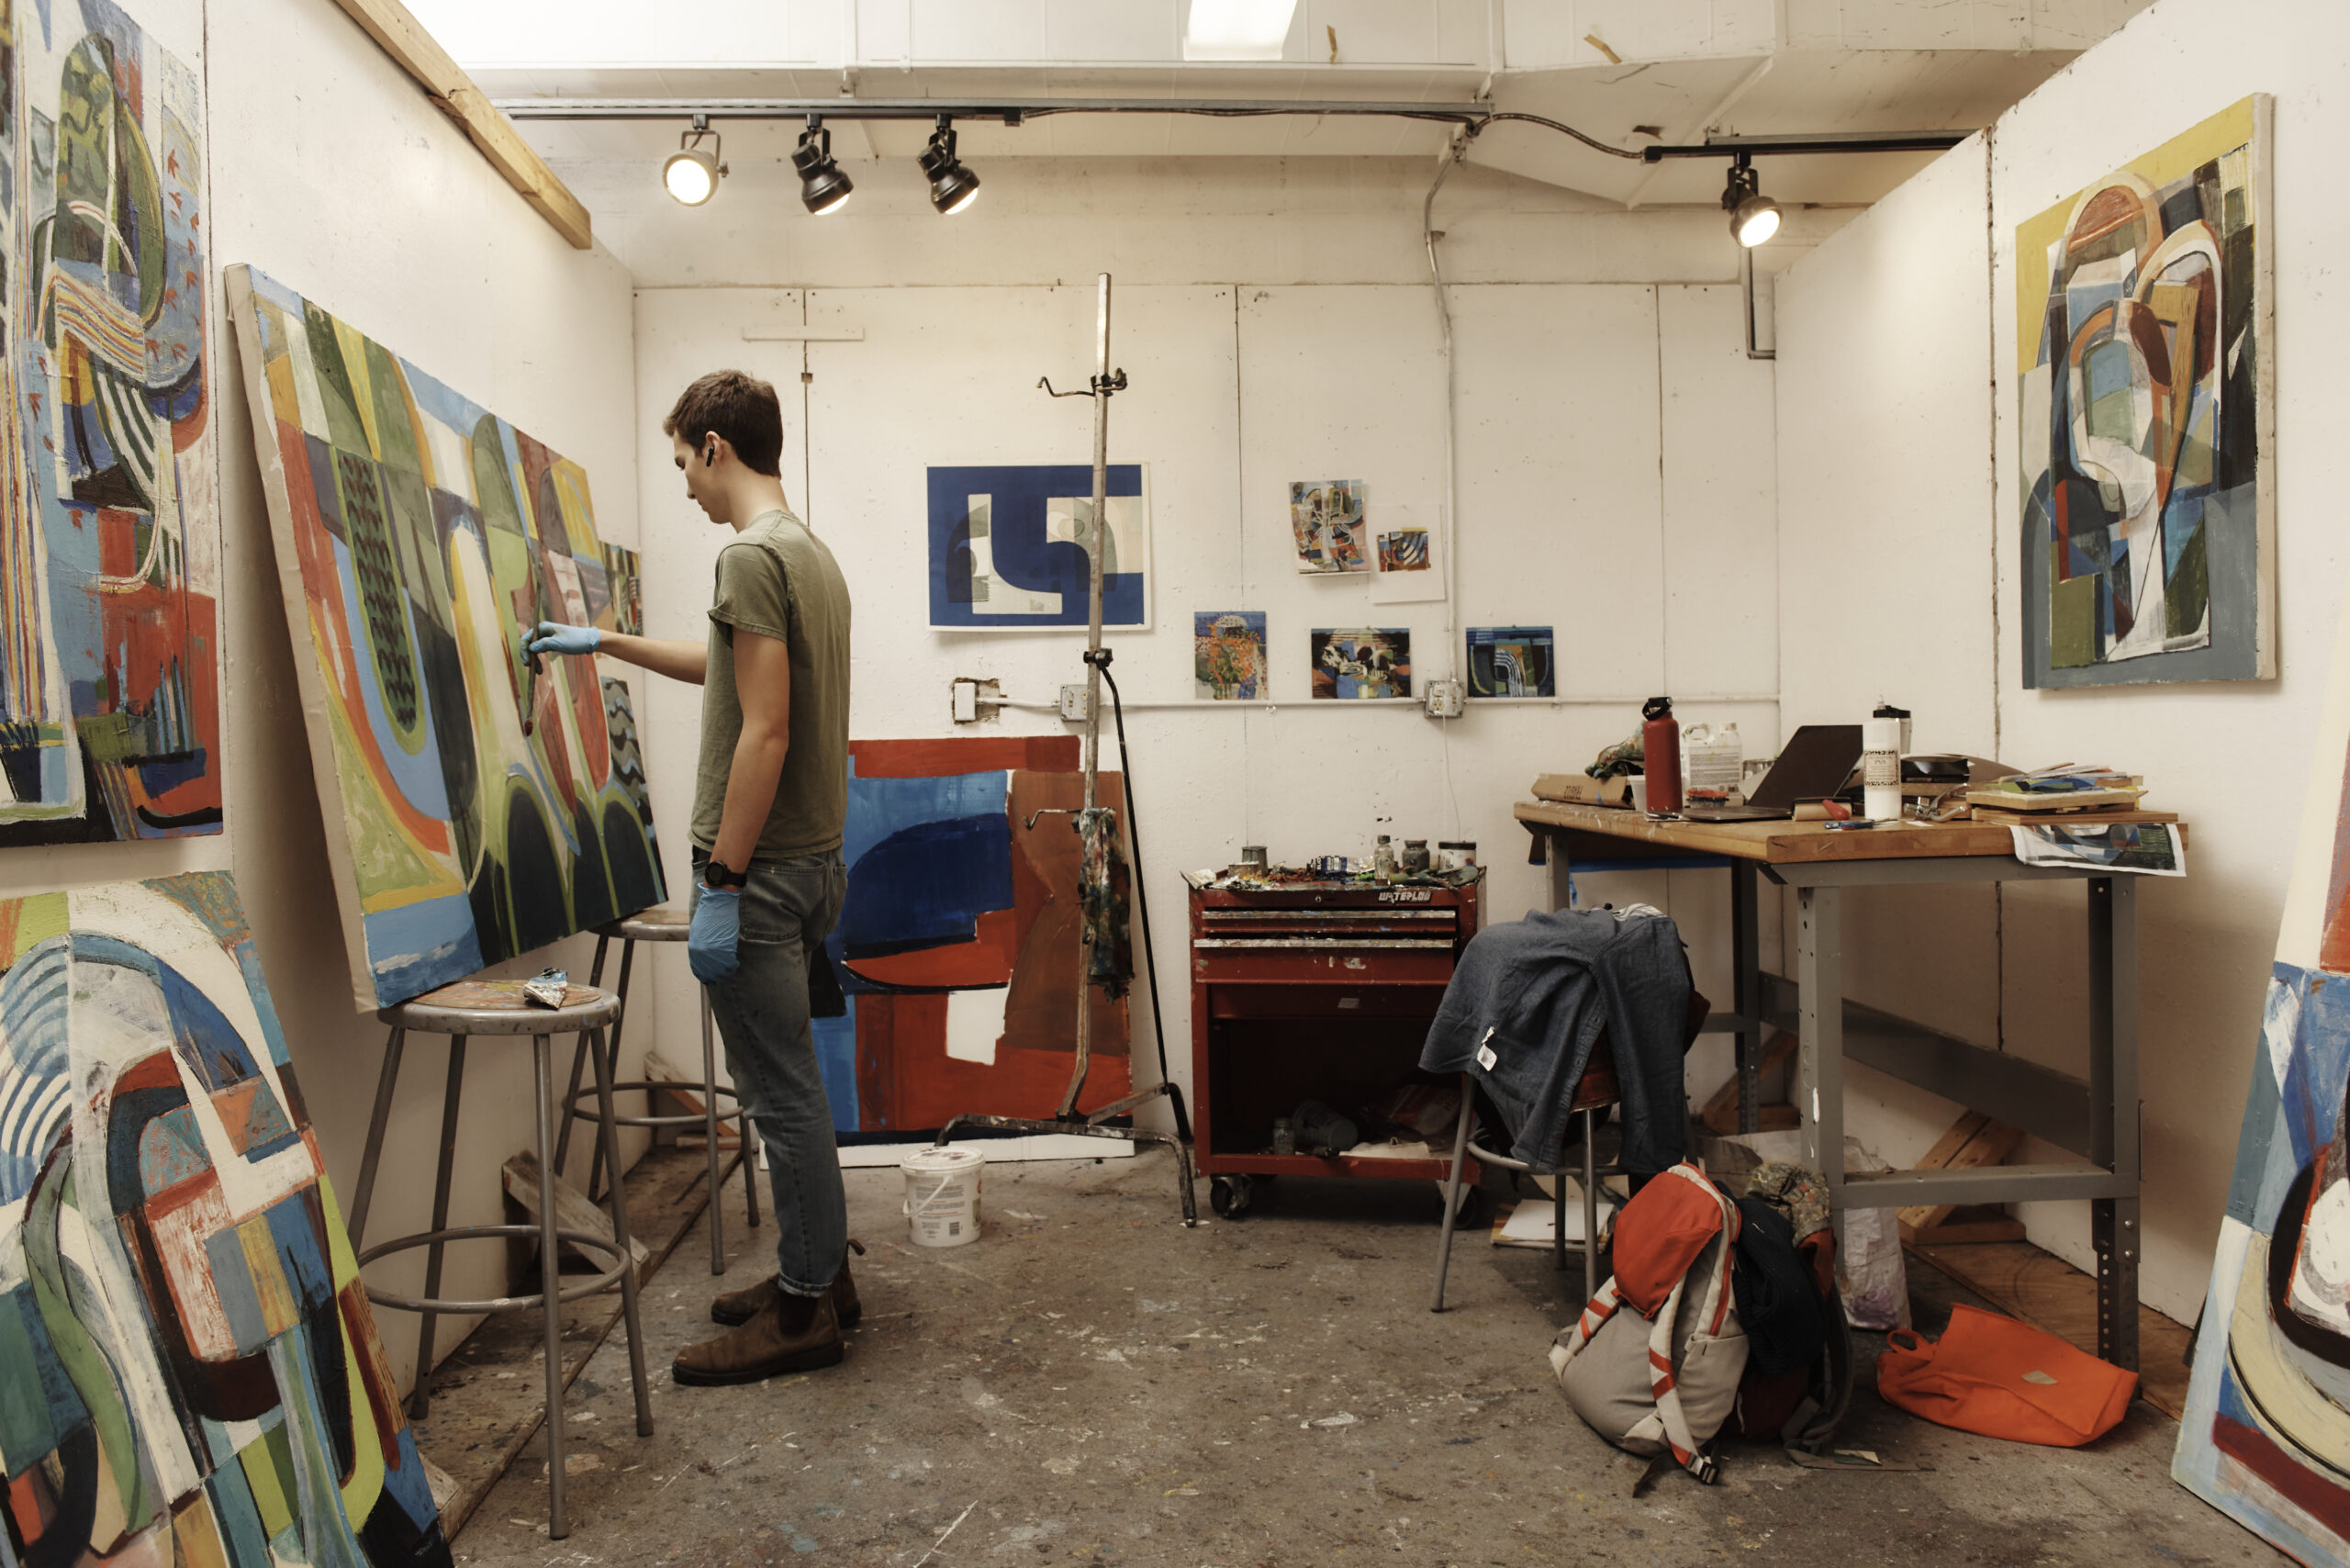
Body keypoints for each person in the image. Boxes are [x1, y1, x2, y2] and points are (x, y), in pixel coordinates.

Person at [527, 369, 855, 1385]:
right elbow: (738, 676)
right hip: (809, 862)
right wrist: (609, 642)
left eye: (682, 462)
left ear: (715, 446)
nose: (683, 487)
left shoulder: (748, 557)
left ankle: (805, 1311)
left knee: (781, 1099)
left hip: (758, 878)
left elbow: (767, 729)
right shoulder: (808, 556)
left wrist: (719, 878)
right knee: (791, 1094)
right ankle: (820, 1276)